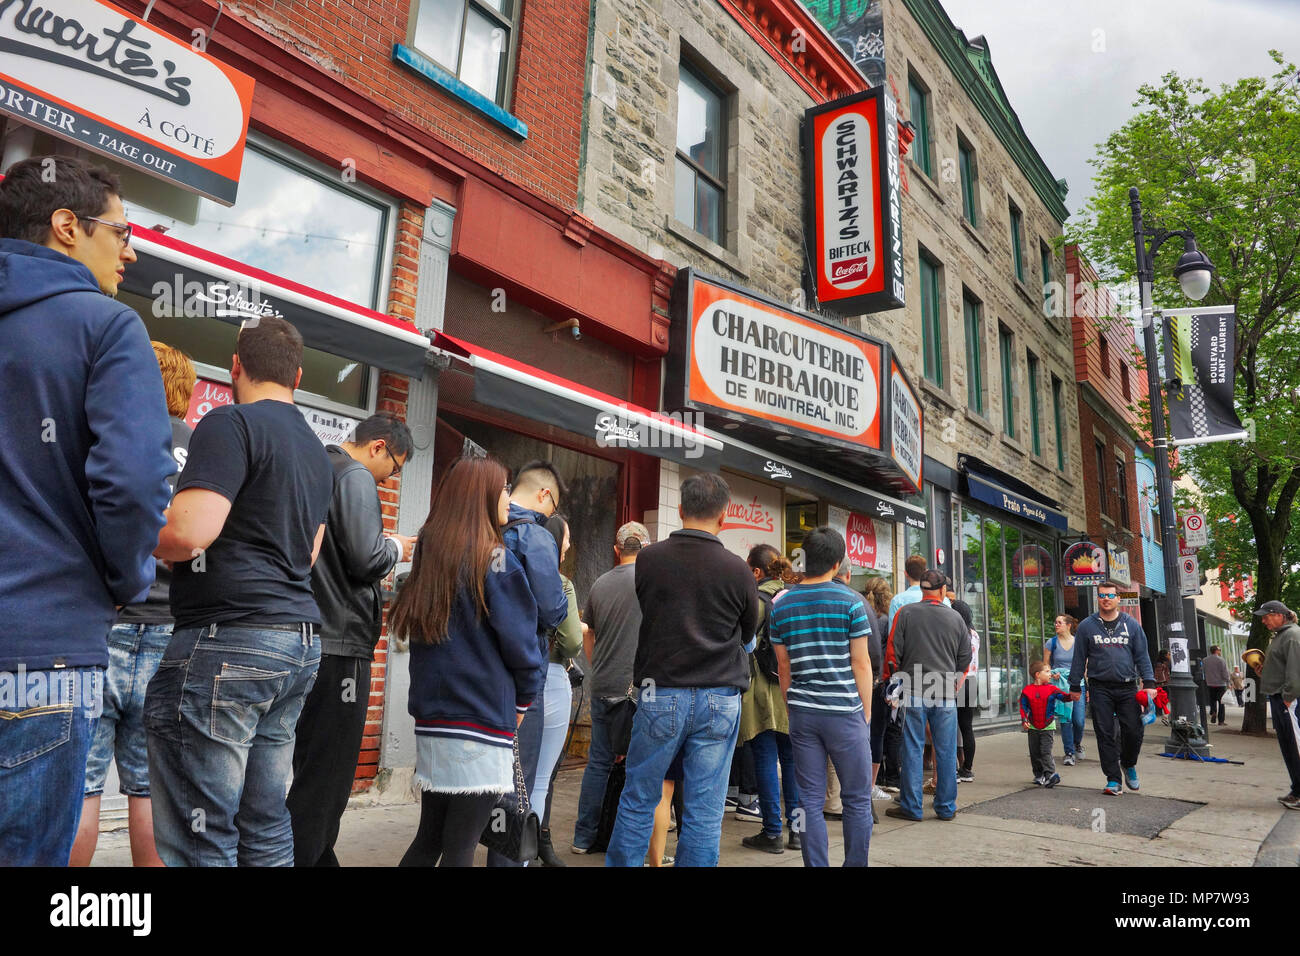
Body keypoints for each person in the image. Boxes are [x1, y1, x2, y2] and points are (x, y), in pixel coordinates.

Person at [0, 156, 174, 866]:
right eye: (122, 231)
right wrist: (123, 580)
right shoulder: (106, 328)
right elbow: (133, 485)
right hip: (41, 650)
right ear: (67, 227)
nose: (131, 250)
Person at [146, 315, 334, 866]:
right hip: (296, 644)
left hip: (227, 642)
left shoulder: (229, 424)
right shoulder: (319, 453)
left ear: (235, 366)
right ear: (297, 375)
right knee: (265, 819)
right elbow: (308, 554)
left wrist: (121, 526)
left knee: (204, 831)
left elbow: (187, 532)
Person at [71, 343, 196, 868]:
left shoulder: (115, 433)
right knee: (150, 791)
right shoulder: (205, 448)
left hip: (108, 621)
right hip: (171, 630)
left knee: (82, 784)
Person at [391, 456, 544, 865]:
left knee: (430, 838)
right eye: (504, 489)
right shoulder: (494, 559)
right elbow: (522, 644)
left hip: (434, 720)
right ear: (483, 497)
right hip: (480, 720)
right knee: (460, 845)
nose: (509, 499)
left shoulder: (430, 558)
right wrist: (524, 701)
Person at [605, 473, 760, 868]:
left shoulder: (650, 559)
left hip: (661, 693)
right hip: (720, 698)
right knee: (705, 811)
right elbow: (746, 635)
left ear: (680, 509)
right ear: (724, 516)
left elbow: (651, 610)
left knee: (640, 796)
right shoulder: (738, 570)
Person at [286, 413, 416, 866]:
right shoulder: (356, 474)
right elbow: (365, 557)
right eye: (395, 468)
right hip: (341, 646)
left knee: (312, 769)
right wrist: (398, 547)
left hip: (309, 636)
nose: (390, 478)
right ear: (378, 447)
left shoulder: (319, 465)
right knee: (328, 779)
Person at [772, 529, 874, 866]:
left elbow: (783, 665)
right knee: (857, 799)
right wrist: (866, 715)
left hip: (802, 712)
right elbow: (861, 662)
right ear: (836, 563)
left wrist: (792, 706)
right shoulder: (851, 603)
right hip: (845, 711)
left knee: (807, 801)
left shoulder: (781, 604)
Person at [491, 460, 570, 867]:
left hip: (474, 675)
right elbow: (553, 608)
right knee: (516, 786)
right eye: (553, 506)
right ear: (543, 495)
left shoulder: (481, 525)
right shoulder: (533, 535)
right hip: (522, 676)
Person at [571, 521, 649, 854]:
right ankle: (628, 844)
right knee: (638, 765)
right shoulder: (650, 583)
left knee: (599, 763)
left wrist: (596, 664)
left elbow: (588, 633)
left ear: (617, 550)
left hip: (603, 683)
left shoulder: (600, 583)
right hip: (638, 688)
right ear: (646, 547)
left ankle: (582, 838)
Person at [884, 570, 971, 822]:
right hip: (943, 690)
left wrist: (896, 682)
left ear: (922, 590)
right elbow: (965, 657)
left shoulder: (906, 613)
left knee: (912, 748)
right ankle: (945, 807)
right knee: (945, 750)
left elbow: (892, 653)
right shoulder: (955, 618)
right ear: (943, 591)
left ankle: (911, 807)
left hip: (913, 689)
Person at [738, 543, 801, 854]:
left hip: (761, 689)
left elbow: (743, 643)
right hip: (794, 690)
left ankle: (772, 832)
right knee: (791, 760)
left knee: (764, 757)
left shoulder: (758, 600)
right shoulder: (797, 598)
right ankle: (798, 831)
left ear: (757, 571)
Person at [1067, 581, 1155, 796]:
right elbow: (1079, 657)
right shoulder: (1087, 626)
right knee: (1105, 733)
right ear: (1098, 598)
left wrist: (1150, 683)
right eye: (1102, 595)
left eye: (1110, 595)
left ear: (1118, 599)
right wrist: (1074, 685)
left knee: (1133, 730)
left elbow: (1142, 655)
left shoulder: (1131, 625)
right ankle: (1113, 779)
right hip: (1100, 688)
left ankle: (1128, 763)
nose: (1106, 598)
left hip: (1127, 687)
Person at [531, 513, 584, 867]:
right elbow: (571, 641)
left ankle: (508, 844)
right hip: (549, 677)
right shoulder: (561, 583)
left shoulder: (509, 569)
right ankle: (531, 847)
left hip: (509, 679)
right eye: (564, 540)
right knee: (541, 777)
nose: (567, 547)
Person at [1249, 601, 1300, 810]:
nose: (1263, 620)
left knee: (1295, 746)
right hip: (1281, 697)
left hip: (1289, 700)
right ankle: (1297, 790)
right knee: (1289, 746)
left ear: (1279, 615)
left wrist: (1289, 697)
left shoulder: (1292, 636)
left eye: (1266, 616)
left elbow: (1296, 671)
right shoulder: (1283, 636)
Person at [861, 576, 897, 802]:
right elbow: (889, 655)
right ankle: (871, 785)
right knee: (877, 735)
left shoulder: (861, 614)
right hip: (879, 682)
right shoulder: (884, 620)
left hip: (859, 680)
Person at [1021, 661, 1070, 787]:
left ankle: (1050, 775)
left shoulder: (1052, 689)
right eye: (1047, 671)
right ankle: (1039, 775)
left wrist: (1072, 696)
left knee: (1045, 751)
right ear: (1037, 674)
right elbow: (1023, 706)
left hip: (1048, 726)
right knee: (1034, 752)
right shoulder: (1027, 690)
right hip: (1032, 726)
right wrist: (1024, 720)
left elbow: (1063, 696)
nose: (1050, 674)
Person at [1045, 614, 1085, 765]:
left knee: (1079, 720)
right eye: (1055, 622)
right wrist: (1051, 673)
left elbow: (1085, 664)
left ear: (1068, 625)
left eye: (1059, 622)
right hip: (1060, 684)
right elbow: (1046, 664)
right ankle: (1069, 753)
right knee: (1066, 719)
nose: (1056, 625)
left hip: (1077, 683)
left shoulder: (1079, 642)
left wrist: (1087, 685)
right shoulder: (1052, 643)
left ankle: (1077, 744)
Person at [952, 599, 981, 783]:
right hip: (972, 681)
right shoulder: (975, 634)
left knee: (949, 726)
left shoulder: (958, 633)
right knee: (966, 727)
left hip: (957, 680)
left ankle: (953, 769)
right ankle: (967, 768)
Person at [887, 554, 928, 633]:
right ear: (926, 572)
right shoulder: (943, 600)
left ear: (905, 574)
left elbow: (893, 634)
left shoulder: (897, 601)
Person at [1204, 645, 1231, 725]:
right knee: (1221, 702)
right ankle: (1221, 721)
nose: (1220, 651)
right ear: (1216, 651)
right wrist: (1228, 681)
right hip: (1220, 684)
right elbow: (1224, 672)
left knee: (1212, 700)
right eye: (1219, 650)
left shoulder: (1205, 660)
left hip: (1210, 683)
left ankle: (1213, 712)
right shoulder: (1221, 660)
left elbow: (1203, 671)